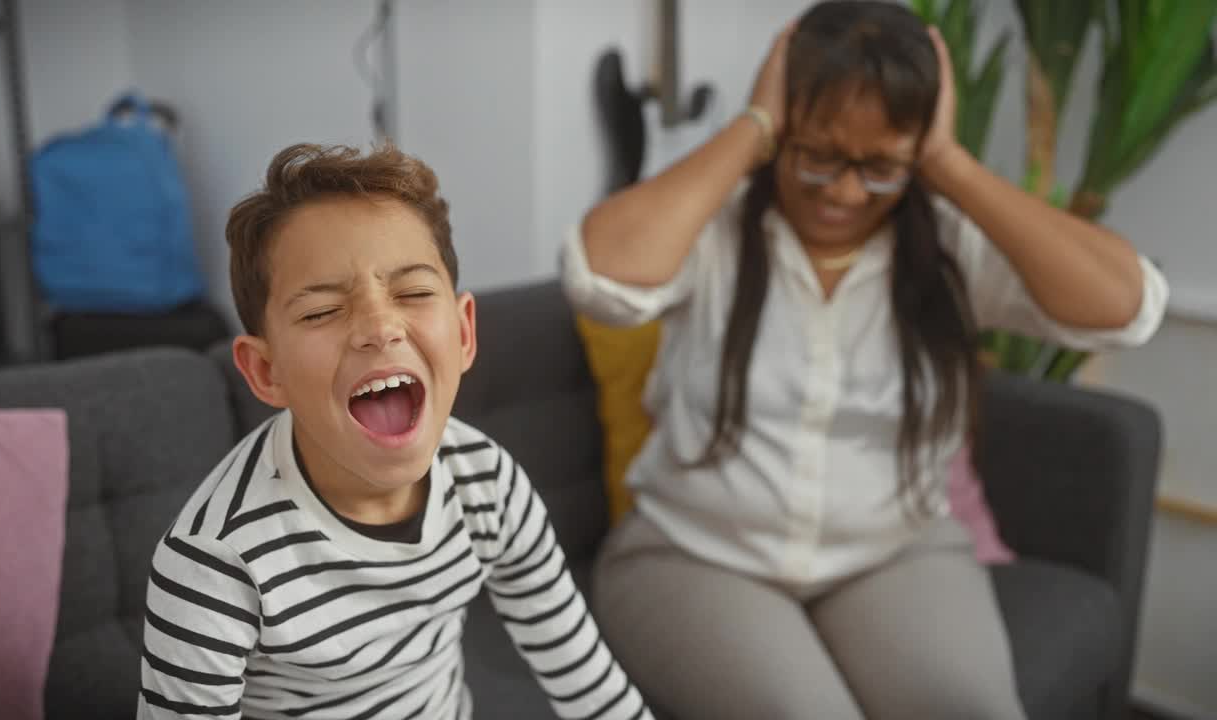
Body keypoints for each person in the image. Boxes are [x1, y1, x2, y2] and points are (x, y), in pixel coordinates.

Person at [561, 1, 1169, 718]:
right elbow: (597, 276)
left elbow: (1127, 309)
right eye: (818, 154)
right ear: (786, 125)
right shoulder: (718, 230)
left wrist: (947, 163)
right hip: (692, 555)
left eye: (880, 166)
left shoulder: (947, 245)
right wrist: (752, 127)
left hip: (895, 555)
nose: (846, 192)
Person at [137, 142, 653, 720]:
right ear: (265, 370)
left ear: (462, 336)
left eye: (411, 293)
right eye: (320, 312)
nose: (379, 327)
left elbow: (588, 681)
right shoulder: (214, 559)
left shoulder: (489, 483)